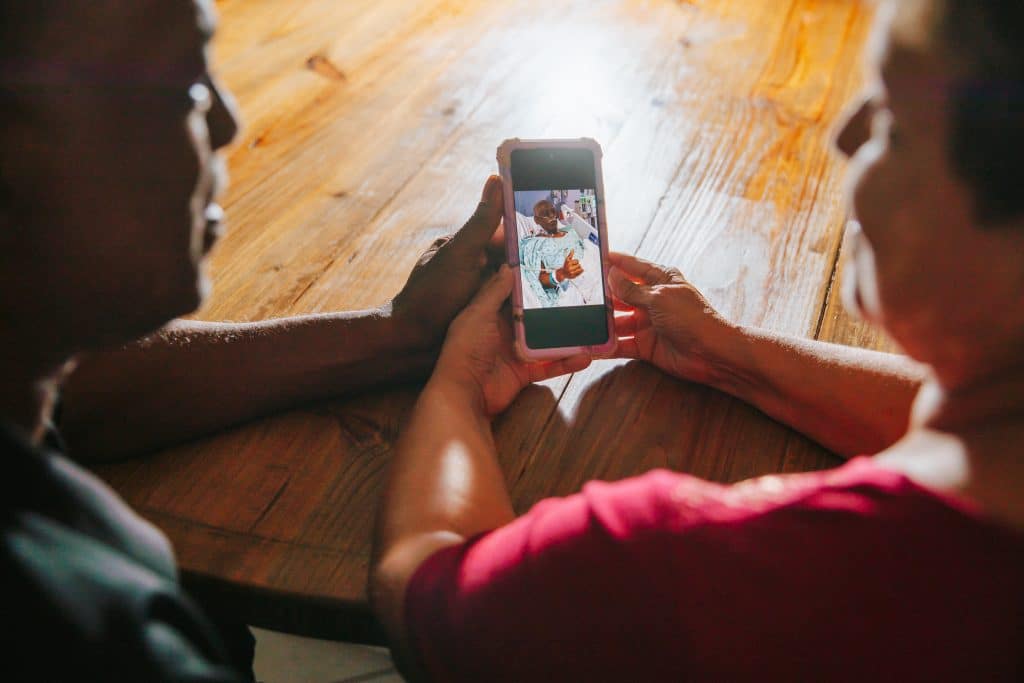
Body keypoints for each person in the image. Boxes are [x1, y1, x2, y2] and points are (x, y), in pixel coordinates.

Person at [370, 1, 1024, 680]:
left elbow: (424, 586)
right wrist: (731, 356)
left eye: (892, 116)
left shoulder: (679, 568)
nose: (846, 133)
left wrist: (463, 381)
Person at [0, 1, 505, 679]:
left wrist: (400, 333)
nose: (226, 122)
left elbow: (84, 390)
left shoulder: (19, 361)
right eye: (185, 87)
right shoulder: (103, 648)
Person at [517, 199, 602, 308]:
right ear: (536, 220)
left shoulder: (569, 230)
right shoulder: (536, 244)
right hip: (581, 283)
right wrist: (560, 274)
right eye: (545, 214)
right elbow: (541, 279)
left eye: (553, 211)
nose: (552, 216)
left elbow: (586, 249)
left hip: (595, 267)